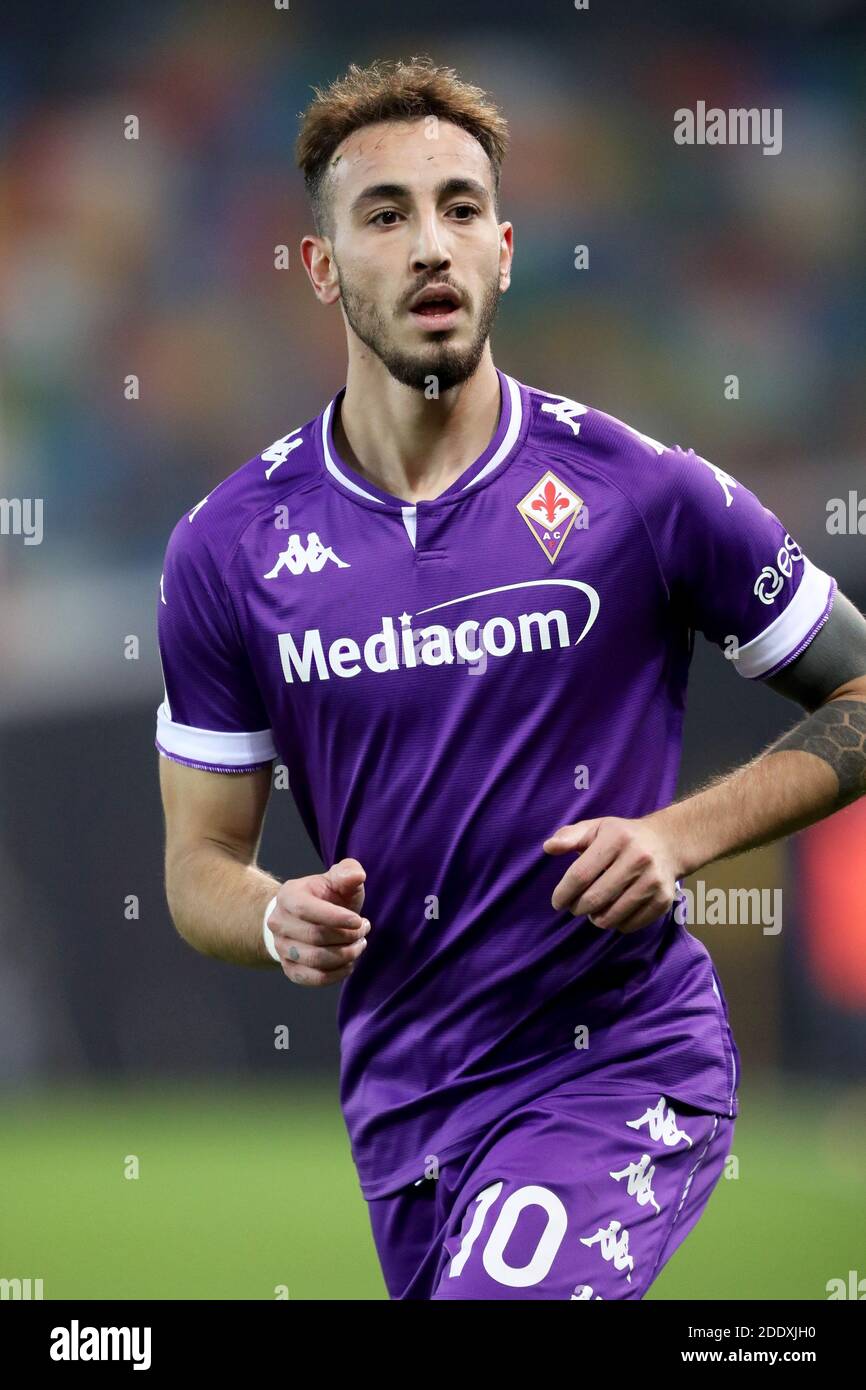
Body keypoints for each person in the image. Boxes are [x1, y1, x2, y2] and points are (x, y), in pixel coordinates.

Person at [155, 56, 866, 1299]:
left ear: (502, 249)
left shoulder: (643, 493)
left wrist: (676, 836)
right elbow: (197, 865)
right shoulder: (226, 549)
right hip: (404, 1103)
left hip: (617, 1067)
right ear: (321, 267)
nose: (430, 244)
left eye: (460, 208)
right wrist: (272, 914)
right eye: (385, 214)